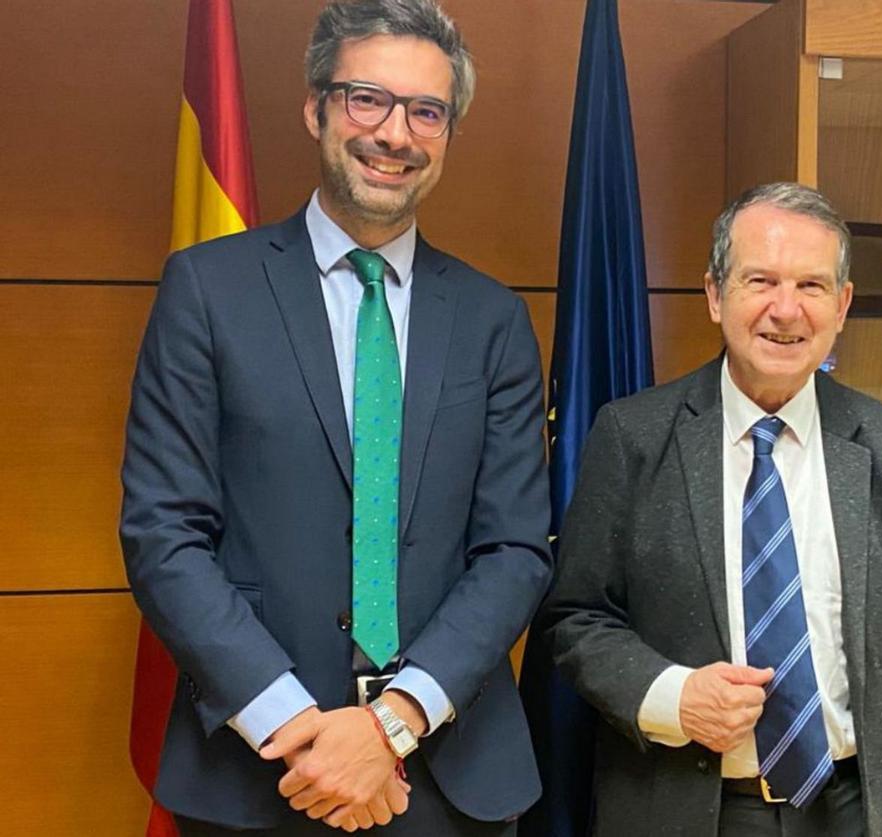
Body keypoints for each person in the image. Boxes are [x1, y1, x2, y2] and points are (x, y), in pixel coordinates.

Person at [120, 1, 551, 833]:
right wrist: (298, 728)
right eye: (367, 99)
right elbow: (163, 533)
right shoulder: (207, 292)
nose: (395, 133)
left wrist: (390, 725)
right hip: (263, 770)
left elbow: (514, 550)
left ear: (447, 135)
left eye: (427, 111)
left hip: (451, 771)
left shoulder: (494, 319)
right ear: (315, 107)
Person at [540, 183, 882, 836]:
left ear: (843, 304)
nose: (786, 309)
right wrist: (673, 696)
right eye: (761, 280)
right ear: (716, 294)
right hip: (690, 809)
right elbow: (574, 618)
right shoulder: (633, 436)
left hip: (860, 810)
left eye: (811, 285)